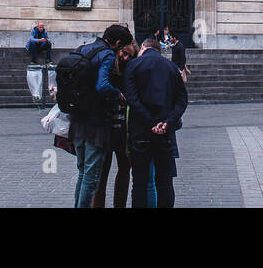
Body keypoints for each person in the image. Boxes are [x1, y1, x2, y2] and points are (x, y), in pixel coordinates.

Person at [67, 24, 134, 208]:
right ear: (118, 43)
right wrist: (119, 95)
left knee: (82, 172)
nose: (121, 53)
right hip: (95, 122)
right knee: (91, 176)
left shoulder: (82, 48)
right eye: (121, 48)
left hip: (77, 120)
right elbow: (102, 85)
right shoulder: (106, 54)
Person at [124, 36, 188, 208]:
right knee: (165, 182)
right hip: (165, 132)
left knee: (139, 183)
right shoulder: (171, 67)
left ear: (143, 47)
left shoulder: (133, 65)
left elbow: (132, 98)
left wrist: (149, 121)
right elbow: (182, 100)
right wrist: (167, 122)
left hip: (140, 132)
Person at [93, 39, 138, 209]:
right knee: (102, 172)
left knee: (125, 168)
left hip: (123, 128)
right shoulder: (106, 66)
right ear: (118, 48)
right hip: (106, 126)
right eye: (124, 53)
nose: (126, 57)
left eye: (129, 55)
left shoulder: (129, 69)